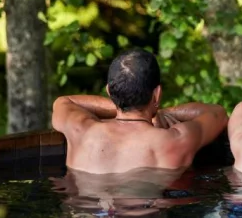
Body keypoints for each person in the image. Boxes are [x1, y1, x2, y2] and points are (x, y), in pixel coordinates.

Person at [52, 49, 228, 174]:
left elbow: (64, 101)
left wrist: (122, 100)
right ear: (157, 94)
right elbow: (218, 114)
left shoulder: (80, 130)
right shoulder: (173, 140)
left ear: (109, 91)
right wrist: (163, 112)